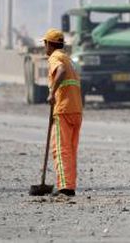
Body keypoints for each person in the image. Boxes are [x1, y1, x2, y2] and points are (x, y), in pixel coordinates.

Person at [43, 28, 83, 197]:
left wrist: (52, 92)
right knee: (71, 149)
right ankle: (70, 186)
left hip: (64, 110)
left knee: (60, 149)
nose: (45, 47)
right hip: (76, 110)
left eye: (45, 44)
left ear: (49, 44)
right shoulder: (69, 59)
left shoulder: (55, 58)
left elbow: (60, 71)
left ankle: (64, 187)